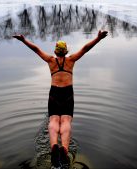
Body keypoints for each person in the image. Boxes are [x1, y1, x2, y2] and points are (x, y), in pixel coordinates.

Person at [13, 30, 108, 168]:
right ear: (66, 51)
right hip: (68, 94)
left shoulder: (51, 60)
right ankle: (64, 149)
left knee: (53, 120)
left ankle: (54, 148)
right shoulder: (71, 60)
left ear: (56, 51)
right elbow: (85, 48)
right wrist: (98, 38)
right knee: (66, 121)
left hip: (54, 93)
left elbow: (36, 49)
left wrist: (23, 40)